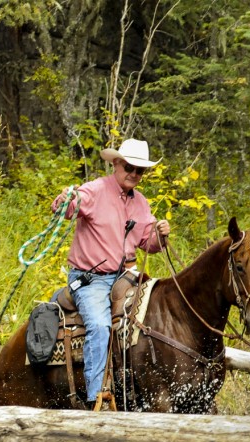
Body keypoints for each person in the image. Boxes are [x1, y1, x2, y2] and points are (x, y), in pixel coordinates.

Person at [51, 138, 171, 407]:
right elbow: (66, 209)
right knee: (100, 325)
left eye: (140, 170)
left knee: (152, 320)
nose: (134, 174)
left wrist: (160, 235)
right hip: (90, 279)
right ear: (116, 163)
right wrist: (66, 198)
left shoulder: (141, 202)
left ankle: (140, 384)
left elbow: (148, 244)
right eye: (129, 167)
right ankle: (97, 396)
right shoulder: (94, 190)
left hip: (126, 276)